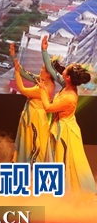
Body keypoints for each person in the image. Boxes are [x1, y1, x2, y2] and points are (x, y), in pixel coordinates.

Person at [37, 63, 97, 195]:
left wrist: (42, 90)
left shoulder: (69, 97)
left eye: (66, 69)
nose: (64, 70)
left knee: (64, 161)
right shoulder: (68, 85)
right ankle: (53, 188)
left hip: (65, 132)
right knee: (57, 159)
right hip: (60, 127)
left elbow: (48, 107)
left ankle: (66, 191)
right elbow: (60, 72)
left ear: (68, 77)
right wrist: (50, 59)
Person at [9, 42, 54, 164]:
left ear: (48, 74)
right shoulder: (43, 81)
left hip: (36, 119)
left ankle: (32, 169)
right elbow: (25, 73)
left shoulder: (45, 88)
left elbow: (22, 89)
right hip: (31, 117)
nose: (40, 70)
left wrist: (16, 72)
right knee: (26, 142)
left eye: (42, 69)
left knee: (33, 145)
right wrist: (14, 58)